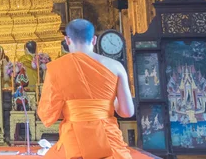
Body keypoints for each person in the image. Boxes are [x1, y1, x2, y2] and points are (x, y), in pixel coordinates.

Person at [38, 19, 134, 159]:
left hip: (74, 142)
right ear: (94, 40)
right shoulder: (116, 66)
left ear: (67, 40)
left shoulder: (56, 68)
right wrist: (105, 105)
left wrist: (74, 108)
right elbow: (126, 112)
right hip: (108, 140)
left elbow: (47, 113)